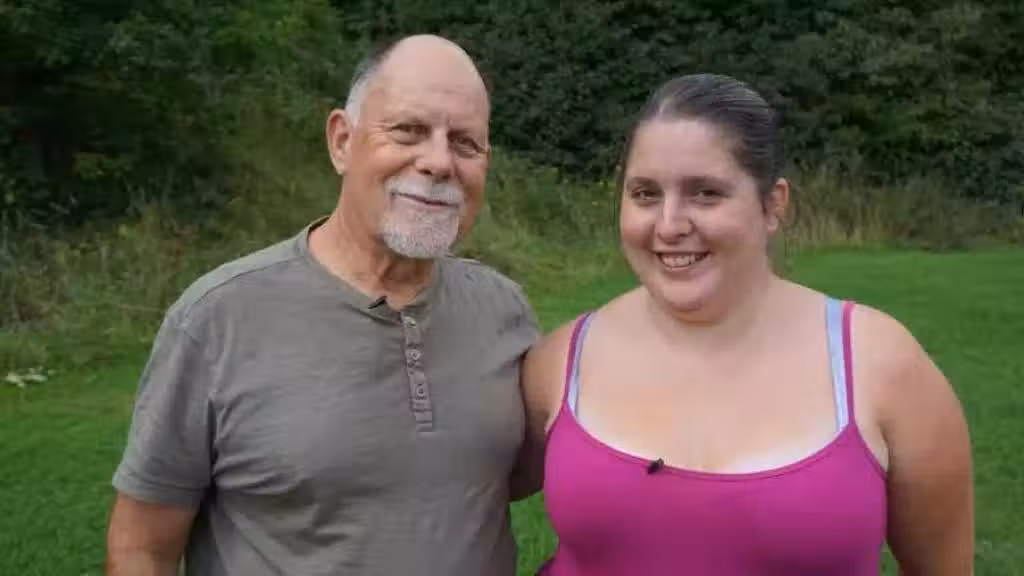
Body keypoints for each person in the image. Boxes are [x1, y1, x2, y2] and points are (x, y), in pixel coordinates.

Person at [105, 35, 539, 576]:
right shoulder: (219, 320)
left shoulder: (504, 311)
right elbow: (142, 549)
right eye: (408, 131)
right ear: (342, 141)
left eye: (465, 144)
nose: (438, 162)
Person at [518, 74, 974, 575]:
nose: (669, 225)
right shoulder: (559, 361)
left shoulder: (881, 368)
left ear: (773, 204)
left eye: (705, 193)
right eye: (645, 194)